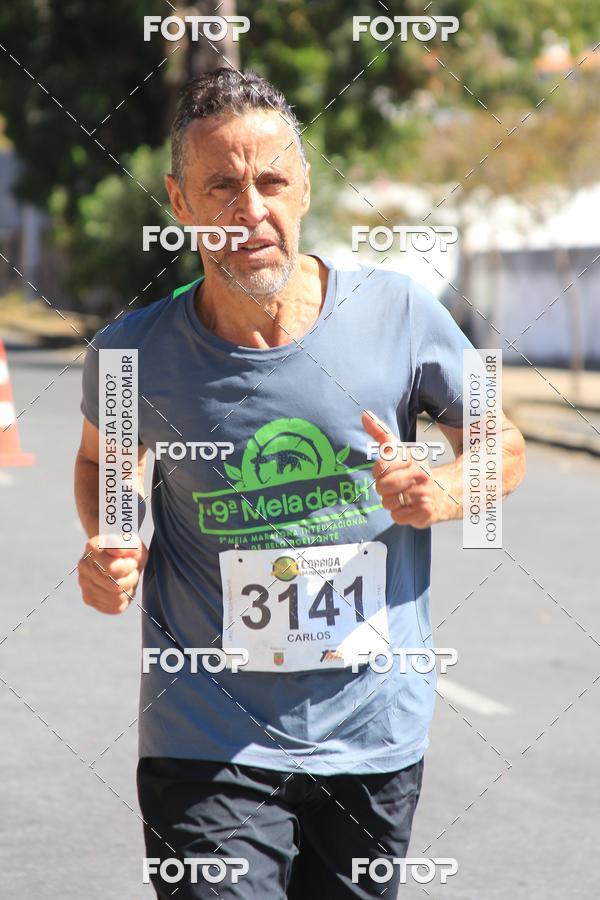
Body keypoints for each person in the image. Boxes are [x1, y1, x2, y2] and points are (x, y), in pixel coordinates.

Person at [75, 68, 526, 899]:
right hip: (204, 738)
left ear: (306, 188)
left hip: (373, 736)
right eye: (221, 186)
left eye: (273, 182)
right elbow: (107, 463)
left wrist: (444, 491)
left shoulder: (403, 311)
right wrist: (113, 536)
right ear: (180, 202)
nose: (250, 210)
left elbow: (503, 440)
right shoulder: (127, 352)